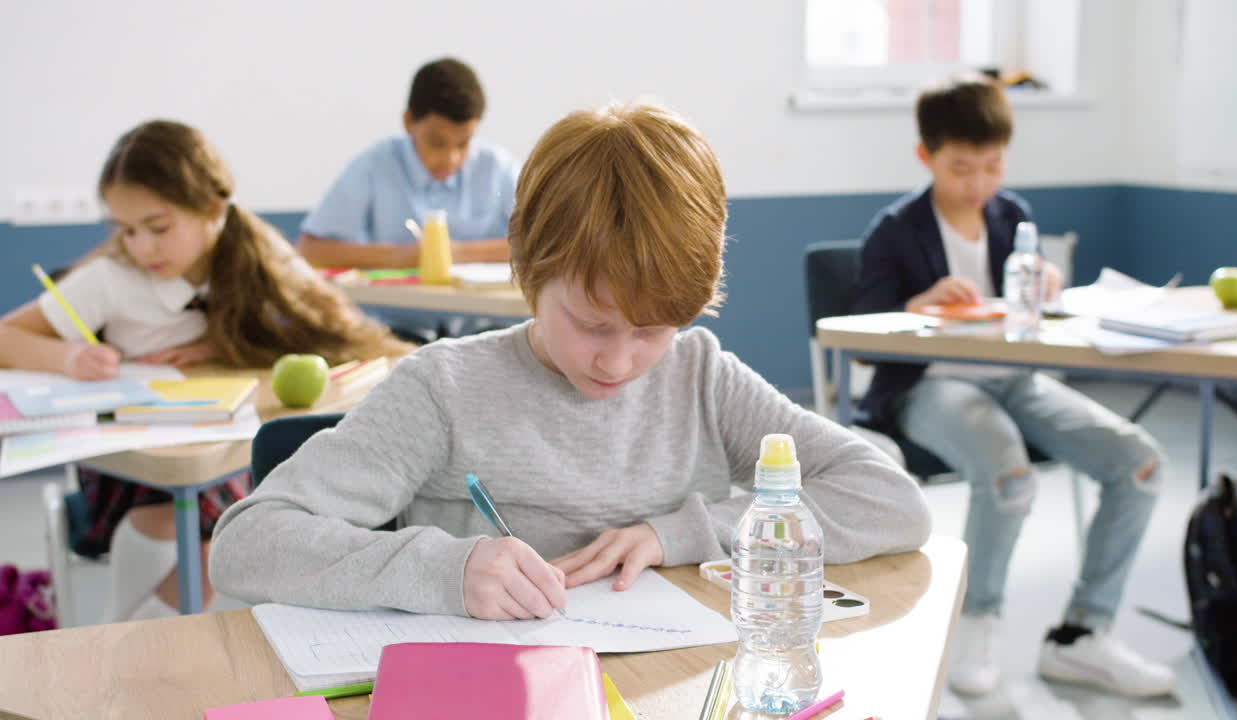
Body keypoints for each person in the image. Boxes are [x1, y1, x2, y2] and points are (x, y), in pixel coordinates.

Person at [210, 102, 931, 621]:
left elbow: (890, 501)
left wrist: (675, 533)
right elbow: (246, 543)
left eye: (654, 329)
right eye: (591, 323)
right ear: (527, 265)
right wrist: (442, 569)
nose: (619, 362)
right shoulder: (445, 388)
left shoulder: (701, 376)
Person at [0, 120, 410, 622]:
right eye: (126, 230)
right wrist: (67, 358)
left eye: (158, 227)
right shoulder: (110, 279)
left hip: (220, 448)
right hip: (136, 461)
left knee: (241, 524)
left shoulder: (256, 254)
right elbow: (6, 336)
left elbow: (333, 325)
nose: (141, 247)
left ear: (212, 210)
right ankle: (127, 633)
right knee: (187, 527)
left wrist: (227, 339)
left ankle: (134, 636)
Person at [851, 75, 1174, 698]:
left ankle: (1082, 636)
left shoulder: (1013, 215)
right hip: (929, 387)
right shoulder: (894, 229)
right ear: (926, 158)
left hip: (1016, 379)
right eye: (961, 168)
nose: (979, 183)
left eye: (992, 166)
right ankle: (978, 622)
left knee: (1140, 464)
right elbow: (862, 335)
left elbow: (1027, 315)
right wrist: (920, 304)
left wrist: (1046, 283)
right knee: (1009, 474)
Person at [297, 57, 517, 270]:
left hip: (477, 307)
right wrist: (399, 255)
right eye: (436, 143)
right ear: (409, 121)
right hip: (396, 307)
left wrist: (453, 253)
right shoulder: (374, 165)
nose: (451, 159)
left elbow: (546, 244)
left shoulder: (497, 167)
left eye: (463, 144)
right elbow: (309, 249)